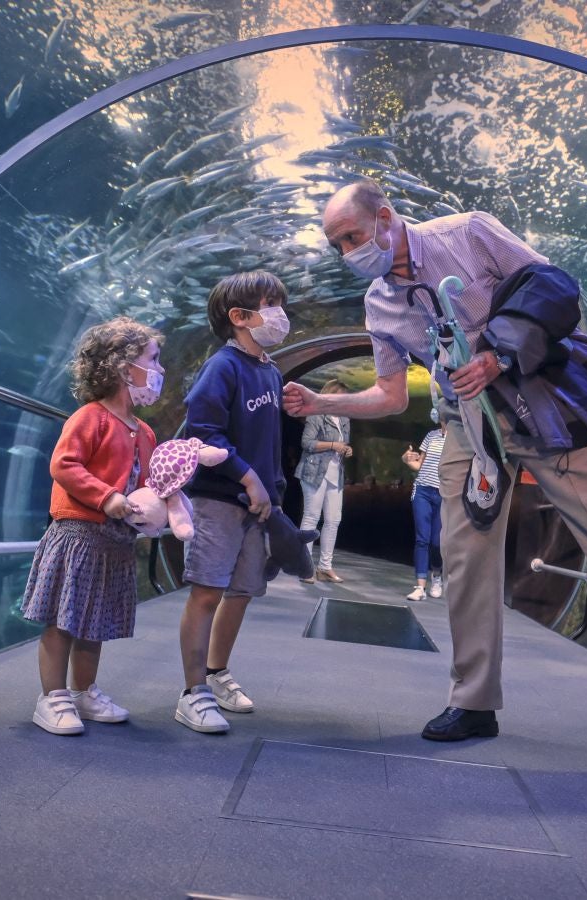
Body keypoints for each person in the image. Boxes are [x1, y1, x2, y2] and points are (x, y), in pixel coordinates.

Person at [282, 178, 587, 741]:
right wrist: (323, 401)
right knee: (465, 559)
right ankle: (473, 701)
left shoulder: (467, 233)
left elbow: (553, 289)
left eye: (353, 236)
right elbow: (391, 395)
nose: (350, 253)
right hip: (465, 424)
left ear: (386, 216)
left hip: (540, 405)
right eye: (338, 245)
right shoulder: (379, 306)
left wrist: (497, 356)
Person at [21, 317, 163, 735]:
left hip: (114, 542)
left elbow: (147, 485)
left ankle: (84, 691)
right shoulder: (91, 417)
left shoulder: (147, 432)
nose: (159, 370)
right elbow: (63, 465)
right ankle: (52, 697)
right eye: (153, 360)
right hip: (79, 535)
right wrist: (107, 497)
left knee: (93, 622)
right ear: (123, 367)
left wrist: (156, 510)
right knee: (63, 621)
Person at [176, 271, 290, 734]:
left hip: (258, 504)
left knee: (242, 591)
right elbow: (202, 431)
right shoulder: (223, 366)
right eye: (271, 304)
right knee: (207, 591)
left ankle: (216, 672)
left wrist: (271, 490)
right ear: (239, 317)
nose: (280, 314)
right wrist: (247, 478)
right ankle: (191, 693)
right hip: (220, 498)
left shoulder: (270, 369)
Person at [295, 379, 353, 584]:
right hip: (314, 472)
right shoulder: (317, 415)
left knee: (333, 520)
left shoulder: (345, 419)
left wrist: (346, 449)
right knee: (311, 517)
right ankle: (305, 566)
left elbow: (343, 444)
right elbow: (307, 443)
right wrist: (332, 445)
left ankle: (325, 567)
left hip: (335, 473)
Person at [400, 415, 445, 601]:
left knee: (437, 542)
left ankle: (437, 574)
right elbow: (419, 464)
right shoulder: (431, 435)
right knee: (422, 539)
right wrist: (405, 459)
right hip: (423, 491)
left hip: (445, 494)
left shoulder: (461, 438)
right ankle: (420, 587)